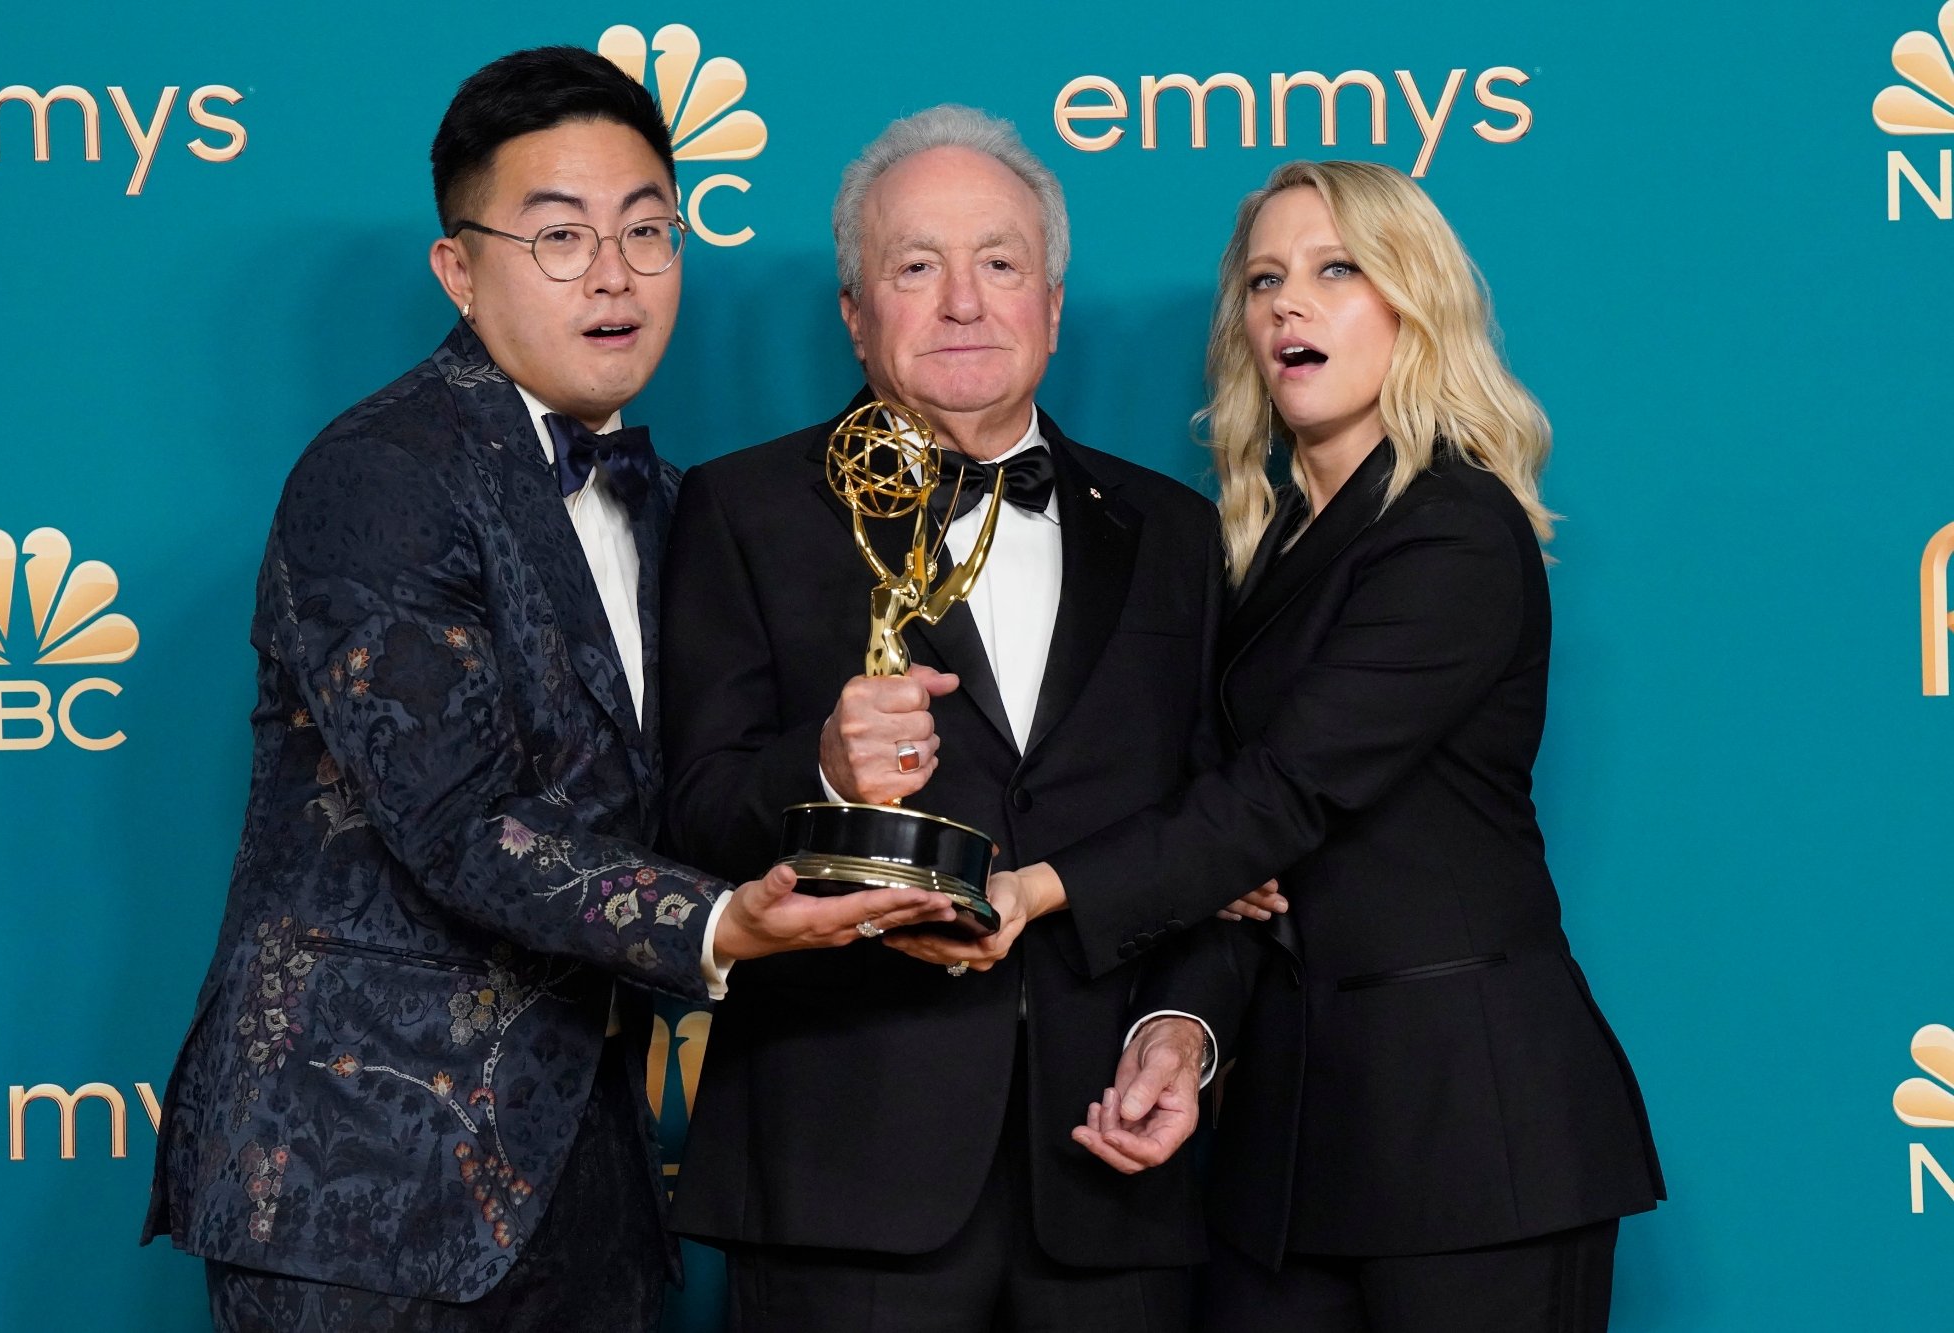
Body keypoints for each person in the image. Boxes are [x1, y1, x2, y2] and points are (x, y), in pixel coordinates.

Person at [140, 46, 950, 1333]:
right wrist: (719, 925)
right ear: (458, 270)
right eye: (559, 237)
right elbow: (459, 822)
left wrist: (828, 778)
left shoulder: (677, 506)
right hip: (363, 1186)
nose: (615, 273)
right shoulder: (380, 476)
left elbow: (684, 788)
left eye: (646, 229)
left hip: (589, 1183)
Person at [961, 160, 1665, 1331]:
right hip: (1286, 1135)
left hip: (1469, 1125)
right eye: (1264, 279)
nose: (1288, 303)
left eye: (1336, 270)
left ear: (1413, 303)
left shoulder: (1454, 531)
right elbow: (1232, 808)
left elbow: (1278, 792)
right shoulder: (1264, 544)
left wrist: (1038, 885)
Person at [659, 106, 1226, 1332]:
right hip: (841, 1173)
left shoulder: (1175, 534)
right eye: (917, 267)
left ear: (1055, 303)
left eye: (1000, 263)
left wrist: (1183, 1030)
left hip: (1115, 1174)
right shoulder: (741, 509)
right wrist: (815, 762)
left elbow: (1219, 833)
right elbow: (689, 815)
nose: (963, 301)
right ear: (855, 313)